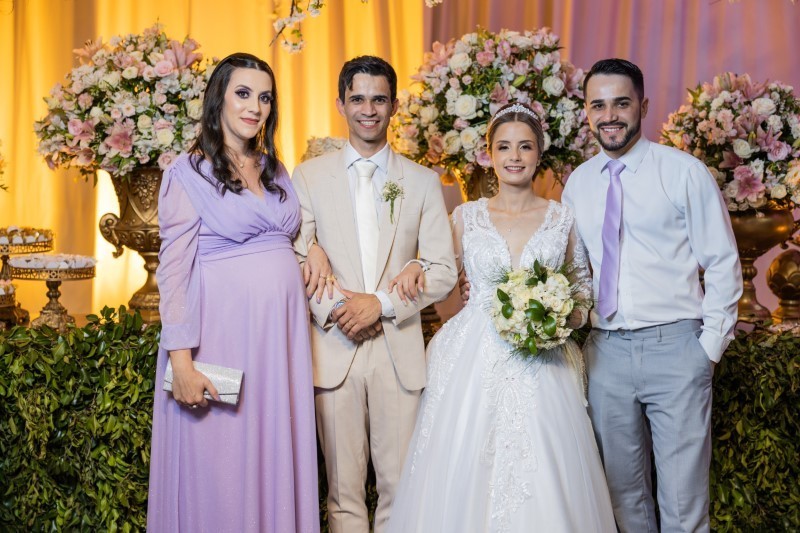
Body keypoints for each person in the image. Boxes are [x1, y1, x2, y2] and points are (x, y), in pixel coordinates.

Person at [388, 102, 616, 533]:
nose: (515, 156)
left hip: (543, 360)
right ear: (488, 154)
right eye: (504, 146)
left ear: (539, 153)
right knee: (463, 461)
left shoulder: (561, 218)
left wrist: (558, 317)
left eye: (525, 146)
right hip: (471, 357)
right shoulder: (465, 217)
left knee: (544, 466)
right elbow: (443, 286)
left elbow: (583, 293)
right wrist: (419, 268)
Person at [561, 59, 742, 532]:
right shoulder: (578, 183)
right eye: (598, 105)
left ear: (643, 106)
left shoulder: (684, 172)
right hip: (605, 352)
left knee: (683, 502)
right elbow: (576, 270)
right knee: (623, 500)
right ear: (586, 111)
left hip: (676, 348)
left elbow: (722, 260)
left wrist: (708, 349)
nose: (609, 116)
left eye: (621, 103)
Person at [147, 53, 319, 532]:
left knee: (272, 456)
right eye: (243, 93)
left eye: (265, 97)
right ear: (218, 98)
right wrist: (182, 364)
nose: (255, 107)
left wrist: (315, 249)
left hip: (279, 347)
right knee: (220, 468)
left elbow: (291, 240)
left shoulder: (275, 170)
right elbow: (174, 273)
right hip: (222, 342)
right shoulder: (188, 172)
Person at [292, 55, 457, 533]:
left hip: (397, 349)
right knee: (342, 495)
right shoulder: (308, 176)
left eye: (379, 99)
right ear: (340, 104)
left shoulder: (422, 181)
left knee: (400, 488)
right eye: (358, 99)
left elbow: (443, 270)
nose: (369, 110)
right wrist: (342, 310)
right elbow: (294, 257)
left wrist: (379, 305)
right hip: (333, 347)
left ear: (394, 105)